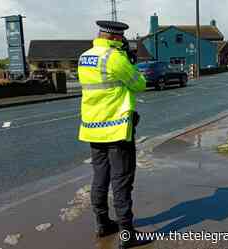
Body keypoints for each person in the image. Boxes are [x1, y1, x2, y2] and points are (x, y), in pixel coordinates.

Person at [78, 20, 151, 248]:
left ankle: (102, 224)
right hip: (116, 130)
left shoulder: (84, 57)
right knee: (122, 181)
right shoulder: (114, 58)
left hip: (92, 129)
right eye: (120, 39)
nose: (122, 42)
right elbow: (139, 84)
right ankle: (127, 235)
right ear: (113, 37)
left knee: (100, 179)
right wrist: (131, 63)